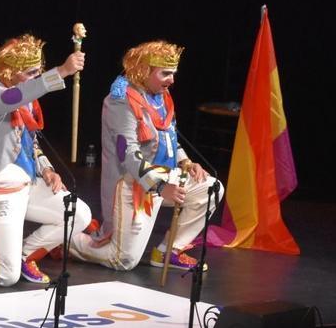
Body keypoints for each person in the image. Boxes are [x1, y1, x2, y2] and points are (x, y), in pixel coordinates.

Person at [65, 41, 223, 271]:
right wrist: (159, 187)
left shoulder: (161, 97)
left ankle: (168, 251)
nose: (172, 80)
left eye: (173, 74)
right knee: (124, 260)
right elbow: (127, 153)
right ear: (143, 70)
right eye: (166, 73)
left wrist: (186, 162)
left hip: (164, 176)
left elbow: (169, 137)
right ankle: (66, 241)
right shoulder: (121, 100)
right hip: (132, 184)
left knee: (211, 189)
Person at [0, 34, 92, 287]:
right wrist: (62, 71)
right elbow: (13, 98)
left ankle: (22, 255)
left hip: (28, 181)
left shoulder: (27, 101)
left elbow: (30, 143)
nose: (35, 77)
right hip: (0, 188)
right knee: (5, 277)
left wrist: (47, 169)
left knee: (78, 214)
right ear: (10, 73)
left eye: (38, 72)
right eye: (30, 73)